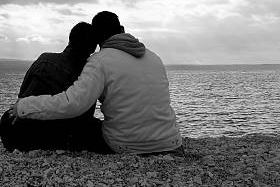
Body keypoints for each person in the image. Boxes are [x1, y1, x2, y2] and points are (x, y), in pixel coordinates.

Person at [10, 11, 183, 155]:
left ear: (98, 40)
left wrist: (24, 106)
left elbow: (73, 104)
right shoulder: (155, 58)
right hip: (171, 142)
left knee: (80, 127)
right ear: (122, 29)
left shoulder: (99, 61)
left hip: (127, 146)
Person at [0, 22, 100, 151]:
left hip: (18, 134)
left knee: (7, 117)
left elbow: (21, 97)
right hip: (58, 137)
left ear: (70, 39)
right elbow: (85, 112)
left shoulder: (44, 59)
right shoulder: (87, 71)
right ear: (92, 48)